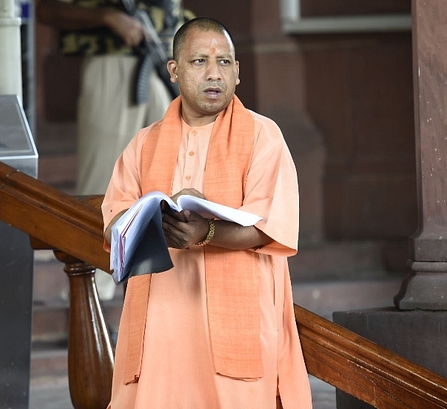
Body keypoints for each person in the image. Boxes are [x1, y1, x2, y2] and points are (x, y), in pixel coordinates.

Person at [101, 17, 312, 409]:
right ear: (175, 71)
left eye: (225, 62)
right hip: (160, 323)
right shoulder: (143, 144)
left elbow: (271, 226)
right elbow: (115, 220)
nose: (214, 73)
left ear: (238, 73)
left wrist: (206, 233)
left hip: (238, 320)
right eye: (199, 61)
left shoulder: (263, 136)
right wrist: (149, 222)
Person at [36, 0, 193, 300]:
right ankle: (89, 295)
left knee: (167, 185)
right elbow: (49, 10)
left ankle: (153, 289)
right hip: (112, 64)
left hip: (161, 67)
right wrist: (108, 17)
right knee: (103, 185)